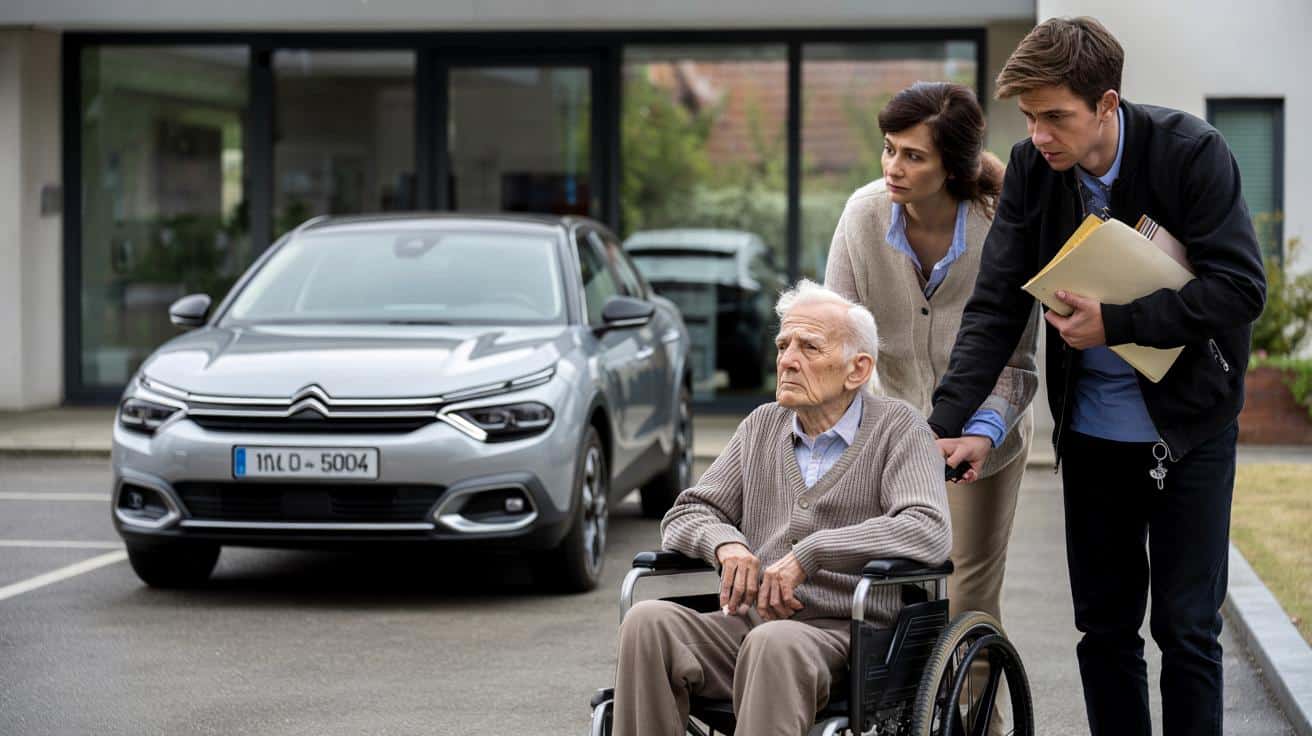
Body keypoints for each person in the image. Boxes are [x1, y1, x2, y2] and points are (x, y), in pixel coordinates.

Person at [927, 17, 1266, 736]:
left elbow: (1240, 290)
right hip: (1090, 437)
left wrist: (1118, 323)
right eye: (1029, 117)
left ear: (1107, 105)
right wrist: (943, 426)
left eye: (1056, 117)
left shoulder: (1191, 152)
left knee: (1187, 630)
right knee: (1105, 631)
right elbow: (994, 305)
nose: (1040, 135)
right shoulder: (1029, 169)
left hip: (1192, 431)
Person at [611, 280, 951, 736]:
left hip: (849, 635)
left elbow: (926, 528)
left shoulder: (898, 429)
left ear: (857, 369)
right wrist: (727, 546)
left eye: (809, 347)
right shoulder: (761, 426)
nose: (787, 359)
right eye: (783, 344)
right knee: (647, 621)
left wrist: (813, 553)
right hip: (750, 626)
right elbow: (687, 512)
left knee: (773, 643)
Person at [824, 80, 1040, 640]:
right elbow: (835, 338)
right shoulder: (862, 216)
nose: (893, 166)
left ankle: (979, 723)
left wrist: (983, 434)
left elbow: (1018, 364)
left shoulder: (1001, 228)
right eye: (889, 148)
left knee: (967, 593)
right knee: (880, 588)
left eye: (913, 156)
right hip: (887, 432)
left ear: (951, 168)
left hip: (980, 439)